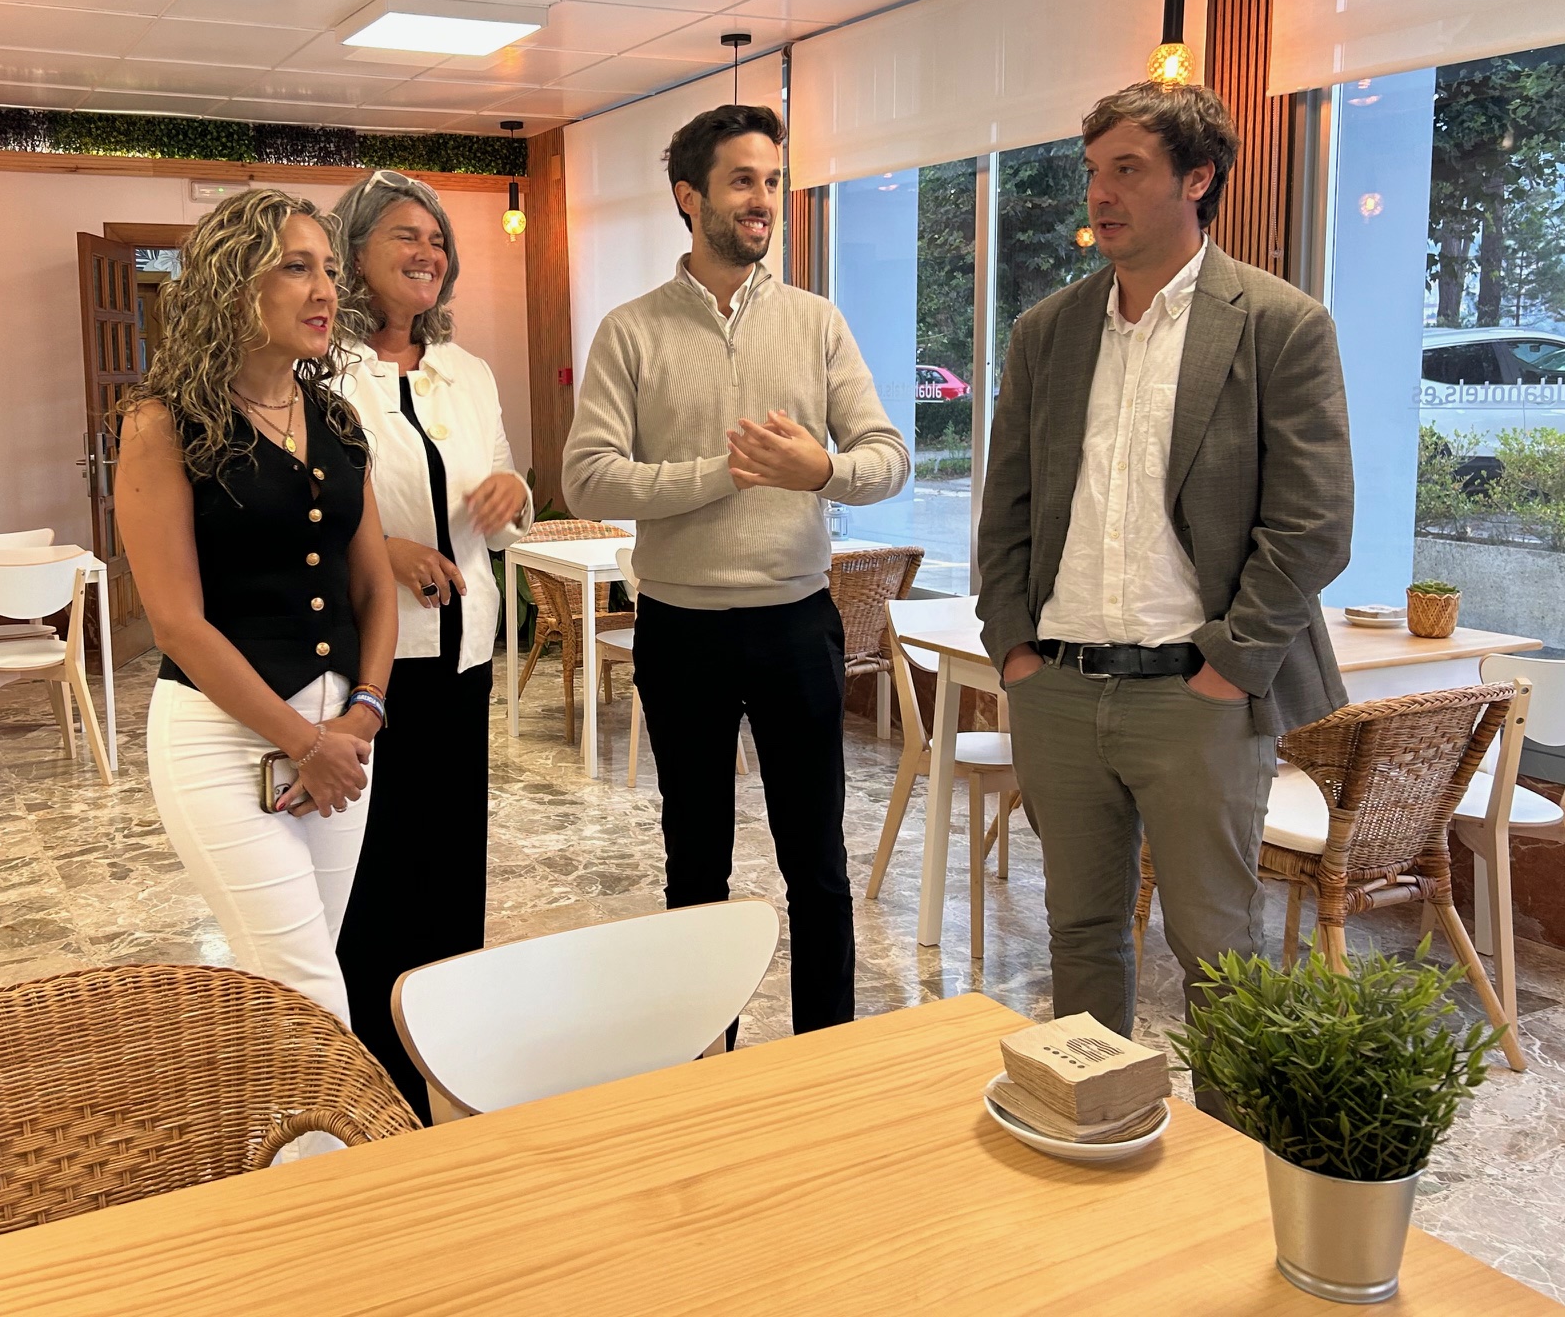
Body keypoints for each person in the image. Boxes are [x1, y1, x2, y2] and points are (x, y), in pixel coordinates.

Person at [976, 81, 1353, 1045]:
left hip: (1198, 695)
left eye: (1128, 170)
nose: (1101, 194)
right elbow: (1006, 508)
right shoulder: (1046, 331)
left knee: (1218, 953)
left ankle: (1223, 1143)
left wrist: (1231, 668)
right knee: (1079, 934)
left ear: (1198, 178)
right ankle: (1094, 1114)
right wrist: (1013, 648)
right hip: (1059, 687)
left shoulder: (1278, 324)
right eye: (1093, 173)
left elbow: (1313, 523)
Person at [563, 104, 908, 1035]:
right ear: (690, 197)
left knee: (818, 863)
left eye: (771, 182)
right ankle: (702, 1061)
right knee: (694, 865)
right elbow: (586, 477)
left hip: (797, 623)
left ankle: (824, 1054)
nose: (763, 201)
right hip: (681, 629)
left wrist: (820, 469)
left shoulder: (816, 322)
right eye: (742, 181)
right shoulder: (630, 331)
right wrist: (722, 473)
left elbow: (888, 457)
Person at [117, 187, 397, 1028]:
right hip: (220, 737)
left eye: (330, 271)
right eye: (296, 268)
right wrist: (304, 743)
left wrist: (364, 713)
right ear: (235, 284)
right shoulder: (163, 425)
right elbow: (176, 623)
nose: (325, 292)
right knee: (309, 992)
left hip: (342, 736)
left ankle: (262, 1113)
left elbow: (373, 585)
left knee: (297, 983)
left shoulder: (337, 419)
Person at [331, 169, 531, 1119]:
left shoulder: (469, 372)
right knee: (376, 872)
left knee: (453, 863)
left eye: (439, 240)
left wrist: (513, 490)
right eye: (405, 236)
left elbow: (500, 484)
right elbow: (308, 512)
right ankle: (374, 1073)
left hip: (464, 654)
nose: (428, 253)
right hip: (370, 663)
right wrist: (383, 547)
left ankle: (451, 1054)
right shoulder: (321, 373)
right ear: (354, 253)